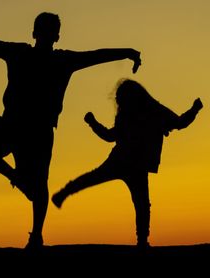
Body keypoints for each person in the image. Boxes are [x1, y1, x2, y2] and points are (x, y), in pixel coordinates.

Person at [0, 12, 141, 250]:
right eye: (45, 30)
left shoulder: (57, 60)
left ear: (54, 36)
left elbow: (96, 56)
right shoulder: (23, 54)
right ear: (37, 34)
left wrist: (128, 52)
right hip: (14, 125)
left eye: (50, 31)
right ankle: (18, 185)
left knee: (37, 184)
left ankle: (36, 234)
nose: (47, 35)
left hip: (36, 131)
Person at [51, 79, 203, 249]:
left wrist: (194, 109)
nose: (118, 101)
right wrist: (93, 123)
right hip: (128, 163)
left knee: (138, 201)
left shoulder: (150, 111)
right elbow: (179, 123)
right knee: (140, 203)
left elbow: (179, 123)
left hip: (129, 163)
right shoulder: (135, 113)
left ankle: (142, 241)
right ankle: (142, 241)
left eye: (120, 98)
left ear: (131, 97)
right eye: (118, 98)